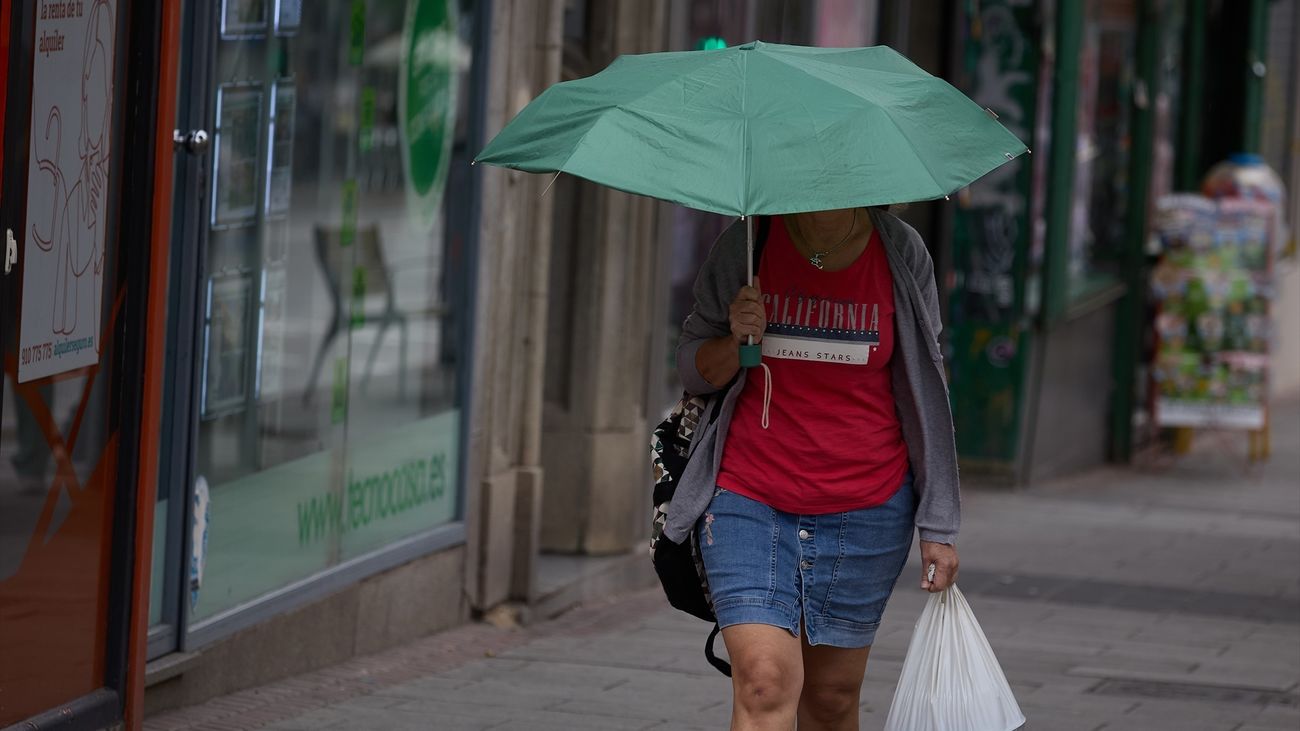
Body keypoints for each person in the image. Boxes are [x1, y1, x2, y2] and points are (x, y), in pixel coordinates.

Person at [667, 206, 961, 731]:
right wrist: (736, 341)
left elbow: (926, 388)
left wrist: (937, 525)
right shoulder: (748, 245)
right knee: (763, 681)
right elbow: (693, 369)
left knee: (830, 698)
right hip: (748, 494)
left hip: (868, 505)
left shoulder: (901, 250)